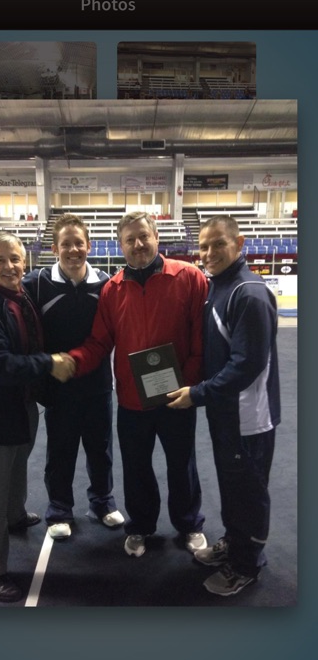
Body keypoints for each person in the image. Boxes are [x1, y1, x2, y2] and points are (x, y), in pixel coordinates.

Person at [68, 211, 209, 558]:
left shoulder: (189, 277)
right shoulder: (112, 290)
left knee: (182, 464)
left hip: (178, 396)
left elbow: (200, 337)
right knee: (136, 467)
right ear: (120, 246)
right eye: (129, 240)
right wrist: (72, 360)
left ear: (156, 236)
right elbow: (100, 342)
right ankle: (141, 526)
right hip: (132, 400)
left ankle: (189, 524)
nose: (138, 244)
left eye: (143, 236)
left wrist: (189, 385)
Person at [168, 216, 281, 596]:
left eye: (218, 244)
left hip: (248, 417)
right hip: (225, 413)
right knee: (232, 488)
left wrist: (196, 393)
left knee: (248, 492)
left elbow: (245, 366)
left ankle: (247, 565)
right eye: (204, 246)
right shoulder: (219, 287)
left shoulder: (248, 293)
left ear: (240, 243)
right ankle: (235, 543)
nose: (209, 253)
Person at [0, 231, 75, 603]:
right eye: (0, 260)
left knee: (16, 469)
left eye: (15, 259)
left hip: (21, 406)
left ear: (24, 261)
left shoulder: (21, 295)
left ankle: (13, 517)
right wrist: (50, 363)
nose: (9, 266)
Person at [23, 213, 124, 539]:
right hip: (59, 387)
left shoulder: (106, 283)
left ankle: (102, 502)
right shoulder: (36, 283)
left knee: (100, 450)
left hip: (97, 385)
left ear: (89, 246)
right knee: (60, 451)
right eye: (66, 244)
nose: (73, 249)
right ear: (55, 247)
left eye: (78, 243)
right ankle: (59, 510)